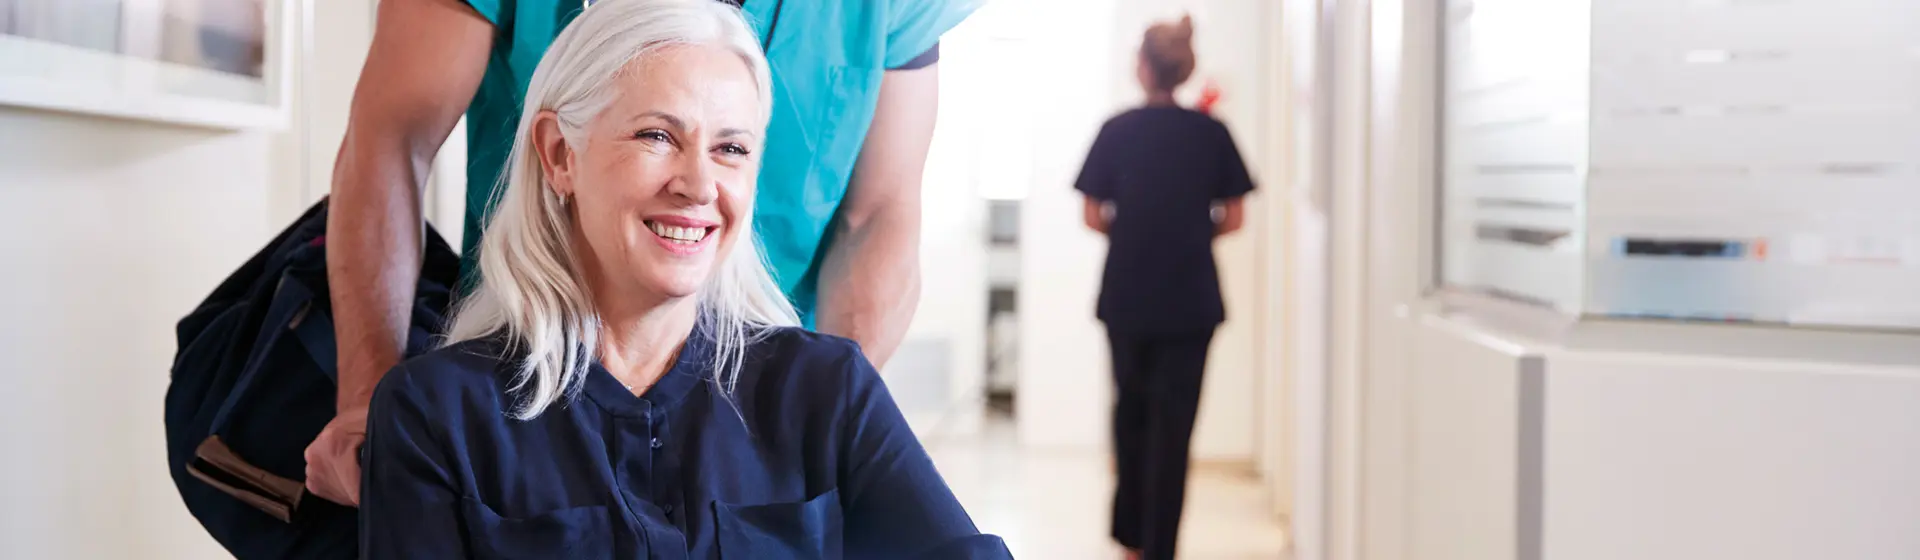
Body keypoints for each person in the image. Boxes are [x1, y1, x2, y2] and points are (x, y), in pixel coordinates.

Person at [356, 2, 1009, 557]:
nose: (698, 185)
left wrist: (811, 431)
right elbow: (389, 139)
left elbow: (882, 212)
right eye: (655, 135)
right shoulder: (439, 415)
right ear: (560, 155)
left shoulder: (824, 392)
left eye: (732, 148)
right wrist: (363, 407)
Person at [1073, 15, 1254, 560]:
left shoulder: (1117, 130)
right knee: (1173, 432)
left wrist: (1131, 230)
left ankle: (1129, 542)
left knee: (1129, 420)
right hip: (1190, 303)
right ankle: (1159, 550)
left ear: (1144, 67)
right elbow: (1236, 217)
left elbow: (1090, 214)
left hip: (1128, 297)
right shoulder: (1211, 132)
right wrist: (1192, 230)